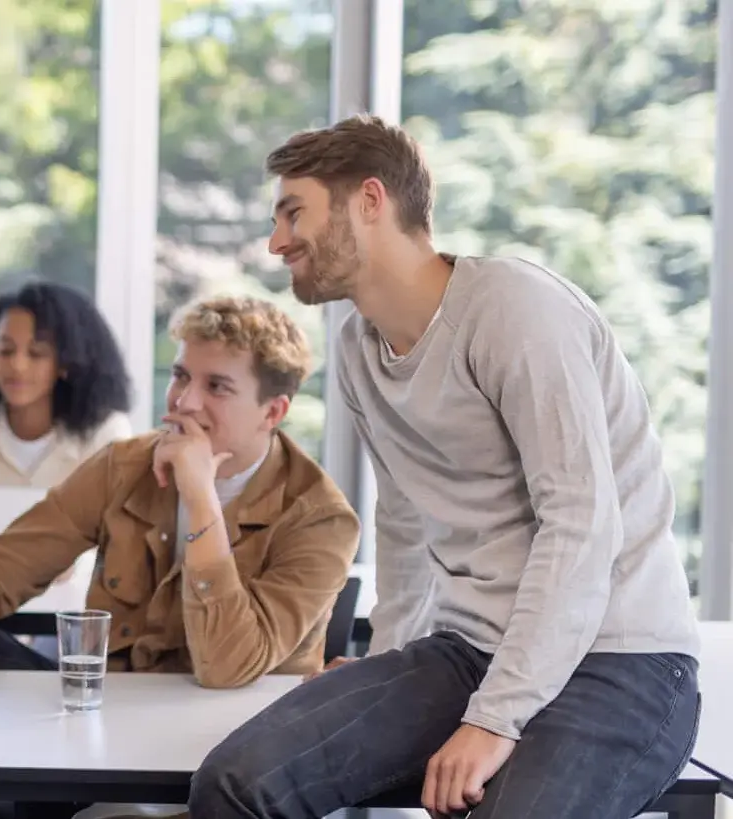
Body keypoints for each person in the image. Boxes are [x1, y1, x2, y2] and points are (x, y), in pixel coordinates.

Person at [189, 114, 701, 819]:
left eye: (293, 213)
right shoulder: (357, 348)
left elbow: (581, 524)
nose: (277, 242)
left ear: (371, 202)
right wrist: (391, 657)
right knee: (234, 781)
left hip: (620, 659)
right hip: (470, 649)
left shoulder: (516, 311)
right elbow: (402, 520)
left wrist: (495, 718)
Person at [0, 295, 360, 819]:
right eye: (180, 376)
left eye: (216, 386)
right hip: (110, 732)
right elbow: (0, 564)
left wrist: (200, 497)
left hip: (224, 761)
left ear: (273, 412)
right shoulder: (126, 465)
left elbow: (228, 667)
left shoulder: (320, 517)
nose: (185, 401)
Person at [0, 281, 135, 489]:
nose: (17, 365)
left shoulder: (105, 432)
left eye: (36, 353)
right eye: (6, 351)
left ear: (67, 362)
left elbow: (115, 519)